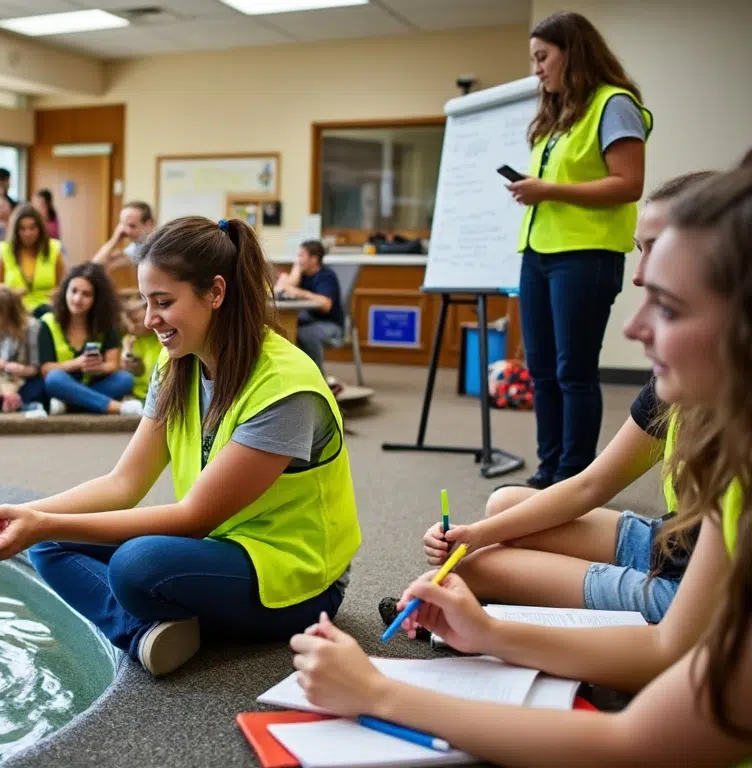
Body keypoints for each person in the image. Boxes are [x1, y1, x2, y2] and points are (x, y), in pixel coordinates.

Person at [290, 167, 752, 767]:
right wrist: (489, 632)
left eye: (666, 305)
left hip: (680, 587)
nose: (636, 325)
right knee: (502, 516)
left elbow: (637, 732)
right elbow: (591, 488)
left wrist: (379, 692)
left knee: (489, 563)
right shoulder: (728, 450)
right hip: (674, 553)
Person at [0, 216, 363, 677]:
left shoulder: (286, 386)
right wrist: (28, 518)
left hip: (298, 581)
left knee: (136, 566)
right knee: (51, 541)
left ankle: (157, 620)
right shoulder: (176, 363)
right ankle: (145, 632)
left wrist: (41, 523)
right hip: (220, 548)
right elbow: (123, 483)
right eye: (146, 302)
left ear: (216, 293)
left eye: (163, 302)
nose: (149, 320)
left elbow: (194, 518)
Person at [403, 171, 715, 627]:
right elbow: (590, 485)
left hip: (688, 585)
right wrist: (476, 534)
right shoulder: (677, 373)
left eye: (658, 248)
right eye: (639, 249)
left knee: (474, 569)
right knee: (503, 506)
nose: (639, 275)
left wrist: (486, 615)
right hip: (671, 541)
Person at [512, 11, 652, 489]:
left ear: (572, 52)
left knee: (573, 370)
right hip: (539, 253)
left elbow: (628, 183)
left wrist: (547, 190)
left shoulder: (614, 104)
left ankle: (572, 476)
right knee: (542, 370)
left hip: (586, 255)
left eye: (543, 57)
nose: (537, 69)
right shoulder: (557, 116)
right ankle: (548, 468)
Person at [38, 263, 141, 416]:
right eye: (73, 291)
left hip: (95, 383)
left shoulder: (106, 323)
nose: (77, 299)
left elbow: (113, 364)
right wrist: (77, 363)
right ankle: (117, 407)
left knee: (125, 379)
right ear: (65, 291)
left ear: (97, 299)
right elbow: (46, 369)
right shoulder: (48, 322)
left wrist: (100, 368)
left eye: (86, 294)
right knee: (54, 379)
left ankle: (70, 404)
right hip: (62, 382)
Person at [0, 203, 66, 319]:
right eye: (22, 229)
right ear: (15, 231)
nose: (28, 233)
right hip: (14, 312)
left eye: (32, 228)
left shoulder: (54, 249)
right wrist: (11, 293)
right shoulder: (4, 251)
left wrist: (56, 293)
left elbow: (65, 285)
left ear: (40, 229)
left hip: (48, 311)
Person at [275, 239, 343, 371]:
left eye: (301, 256)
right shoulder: (302, 275)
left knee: (305, 334)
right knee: (283, 329)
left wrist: (300, 292)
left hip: (330, 325)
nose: (298, 259)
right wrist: (294, 272)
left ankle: (318, 379)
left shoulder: (326, 276)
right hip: (308, 321)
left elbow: (326, 305)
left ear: (314, 259)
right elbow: (282, 290)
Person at [0, 286, 39, 413]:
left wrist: (22, 369)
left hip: (23, 377)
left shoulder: (31, 327)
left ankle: (8, 399)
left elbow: (35, 367)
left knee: (27, 388)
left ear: (6, 314)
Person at [120, 297, 162, 402]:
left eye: (135, 321)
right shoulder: (129, 341)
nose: (131, 326)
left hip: (159, 393)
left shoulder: (161, 340)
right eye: (128, 322)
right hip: (136, 393)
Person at [92, 201, 155, 268]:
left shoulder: (156, 250)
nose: (126, 231)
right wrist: (114, 240)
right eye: (123, 224)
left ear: (149, 225)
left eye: (132, 226)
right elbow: (95, 265)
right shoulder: (134, 248)